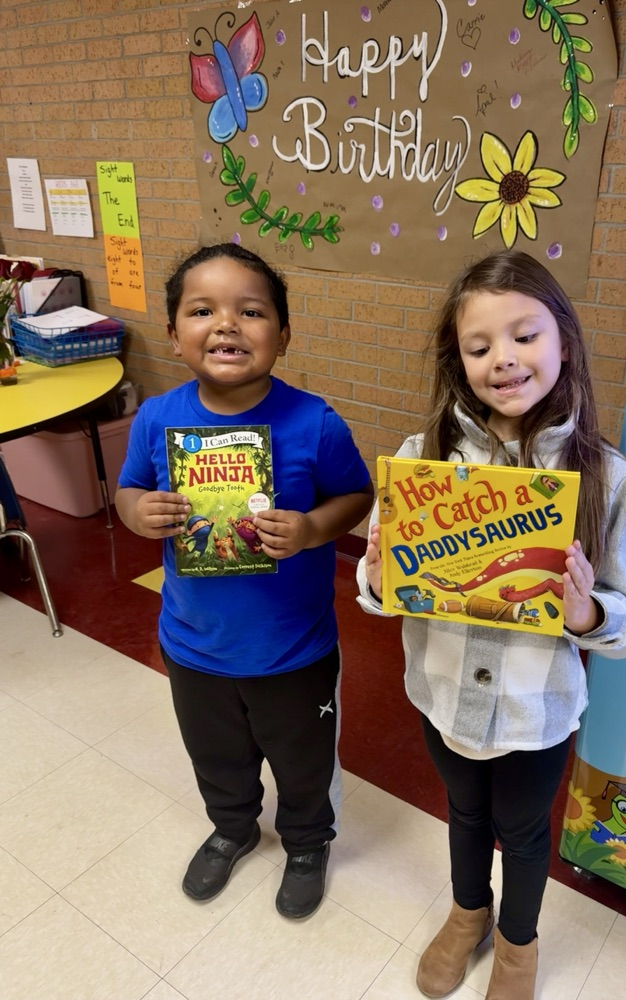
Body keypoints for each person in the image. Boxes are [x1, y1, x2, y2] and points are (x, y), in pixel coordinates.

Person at [356, 250, 626, 999]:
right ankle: (466, 915)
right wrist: (381, 573)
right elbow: (383, 590)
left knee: (521, 832)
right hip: (445, 693)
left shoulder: (609, 478)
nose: (504, 360)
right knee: (462, 811)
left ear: (564, 342)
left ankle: (518, 945)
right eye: (480, 346)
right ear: (457, 360)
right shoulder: (421, 460)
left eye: (525, 336)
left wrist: (584, 609)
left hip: (535, 708)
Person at [116, 243, 373, 919]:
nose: (226, 325)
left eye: (251, 311)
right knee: (216, 755)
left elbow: (357, 496)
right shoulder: (155, 418)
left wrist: (315, 529)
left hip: (295, 651)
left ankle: (308, 843)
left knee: (303, 762)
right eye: (202, 311)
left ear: (282, 334)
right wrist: (138, 512)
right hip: (194, 644)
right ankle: (232, 827)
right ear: (174, 334)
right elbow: (128, 490)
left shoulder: (314, 422)